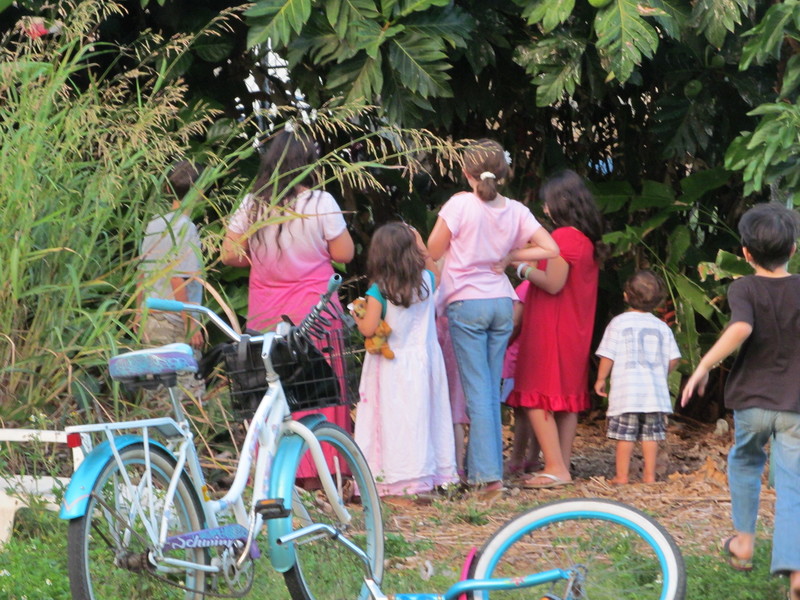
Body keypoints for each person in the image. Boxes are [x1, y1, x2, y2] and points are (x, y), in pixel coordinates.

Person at [221, 128, 355, 484]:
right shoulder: (320, 203)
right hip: (314, 315)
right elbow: (344, 254)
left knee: (272, 392)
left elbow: (229, 253)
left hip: (264, 314)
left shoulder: (253, 204)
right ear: (307, 163)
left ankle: (273, 473)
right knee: (319, 389)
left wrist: (264, 259)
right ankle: (319, 474)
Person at [681, 202, 800, 598]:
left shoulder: (743, 287)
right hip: (794, 407)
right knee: (793, 486)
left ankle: (744, 542)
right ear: (794, 250)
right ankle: (795, 570)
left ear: (745, 254)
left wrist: (702, 367)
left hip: (751, 404)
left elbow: (742, 327)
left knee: (746, 462)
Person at [427, 139, 560, 495]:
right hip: (502, 302)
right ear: (503, 173)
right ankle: (483, 471)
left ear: (467, 173)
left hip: (466, 304)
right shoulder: (515, 209)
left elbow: (433, 250)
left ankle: (488, 478)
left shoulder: (460, 204)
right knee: (488, 390)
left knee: (478, 392)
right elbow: (551, 248)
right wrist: (511, 255)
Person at [508, 169, 606, 489]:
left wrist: (520, 267)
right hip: (573, 330)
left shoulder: (563, 237)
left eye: (547, 203)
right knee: (565, 401)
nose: (545, 209)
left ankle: (554, 467)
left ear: (562, 202)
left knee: (538, 396)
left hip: (552, 327)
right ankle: (560, 464)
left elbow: (553, 283)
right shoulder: (585, 240)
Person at [353, 222, 458, 501]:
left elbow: (368, 328)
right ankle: (427, 474)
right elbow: (435, 269)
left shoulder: (379, 290)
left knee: (394, 421)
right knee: (424, 418)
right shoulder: (426, 281)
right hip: (425, 360)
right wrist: (420, 241)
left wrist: (357, 314)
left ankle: (394, 478)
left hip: (391, 366)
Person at [594, 269, 681, 484]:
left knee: (625, 436)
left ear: (626, 296)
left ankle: (622, 476)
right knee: (651, 437)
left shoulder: (619, 323)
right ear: (659, 300)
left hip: (627, 392)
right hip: (654, 394)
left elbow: (607, 355)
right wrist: (661, 374)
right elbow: (674, 359)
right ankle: (649, 476)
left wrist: (600, 379)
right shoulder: (662, 327)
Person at [137, 160, 205, 400]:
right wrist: (191, 325)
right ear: (200, 191)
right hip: (175, 325)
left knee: (156, 394)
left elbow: (142, 274)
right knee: (186, 395)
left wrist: (138, 314)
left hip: (152, 320)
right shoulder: (186, 228)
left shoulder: (155, 224)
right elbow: (179, 280)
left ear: (167, 189)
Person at [502, 278, 542, 478]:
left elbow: (516, 321)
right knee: (539, 410)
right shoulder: (540, 286)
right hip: (536, 354)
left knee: (521, 412)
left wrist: (502, 344)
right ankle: (533, 457)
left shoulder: (526, 286)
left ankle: (517, 459)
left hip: (518, 355)